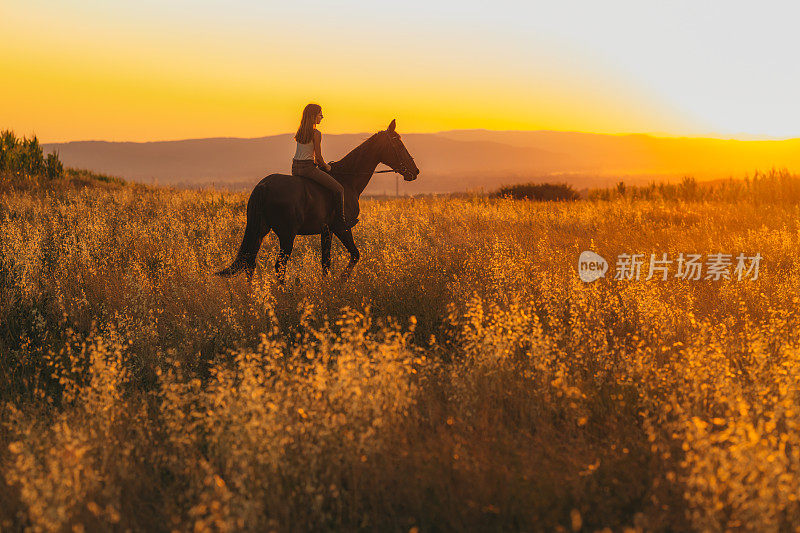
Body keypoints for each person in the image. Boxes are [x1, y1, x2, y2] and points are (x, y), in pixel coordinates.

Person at [291, 103, 348, 226]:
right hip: (308, 169)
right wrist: (327, 167)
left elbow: (307, 154)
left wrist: (317, 163)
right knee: (339, 189)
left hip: (295, 168)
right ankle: (340, 221)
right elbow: (319, 158)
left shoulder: (300, 131)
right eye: (320, 114)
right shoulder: (316, 133)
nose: (322, 116)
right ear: (313, 116)